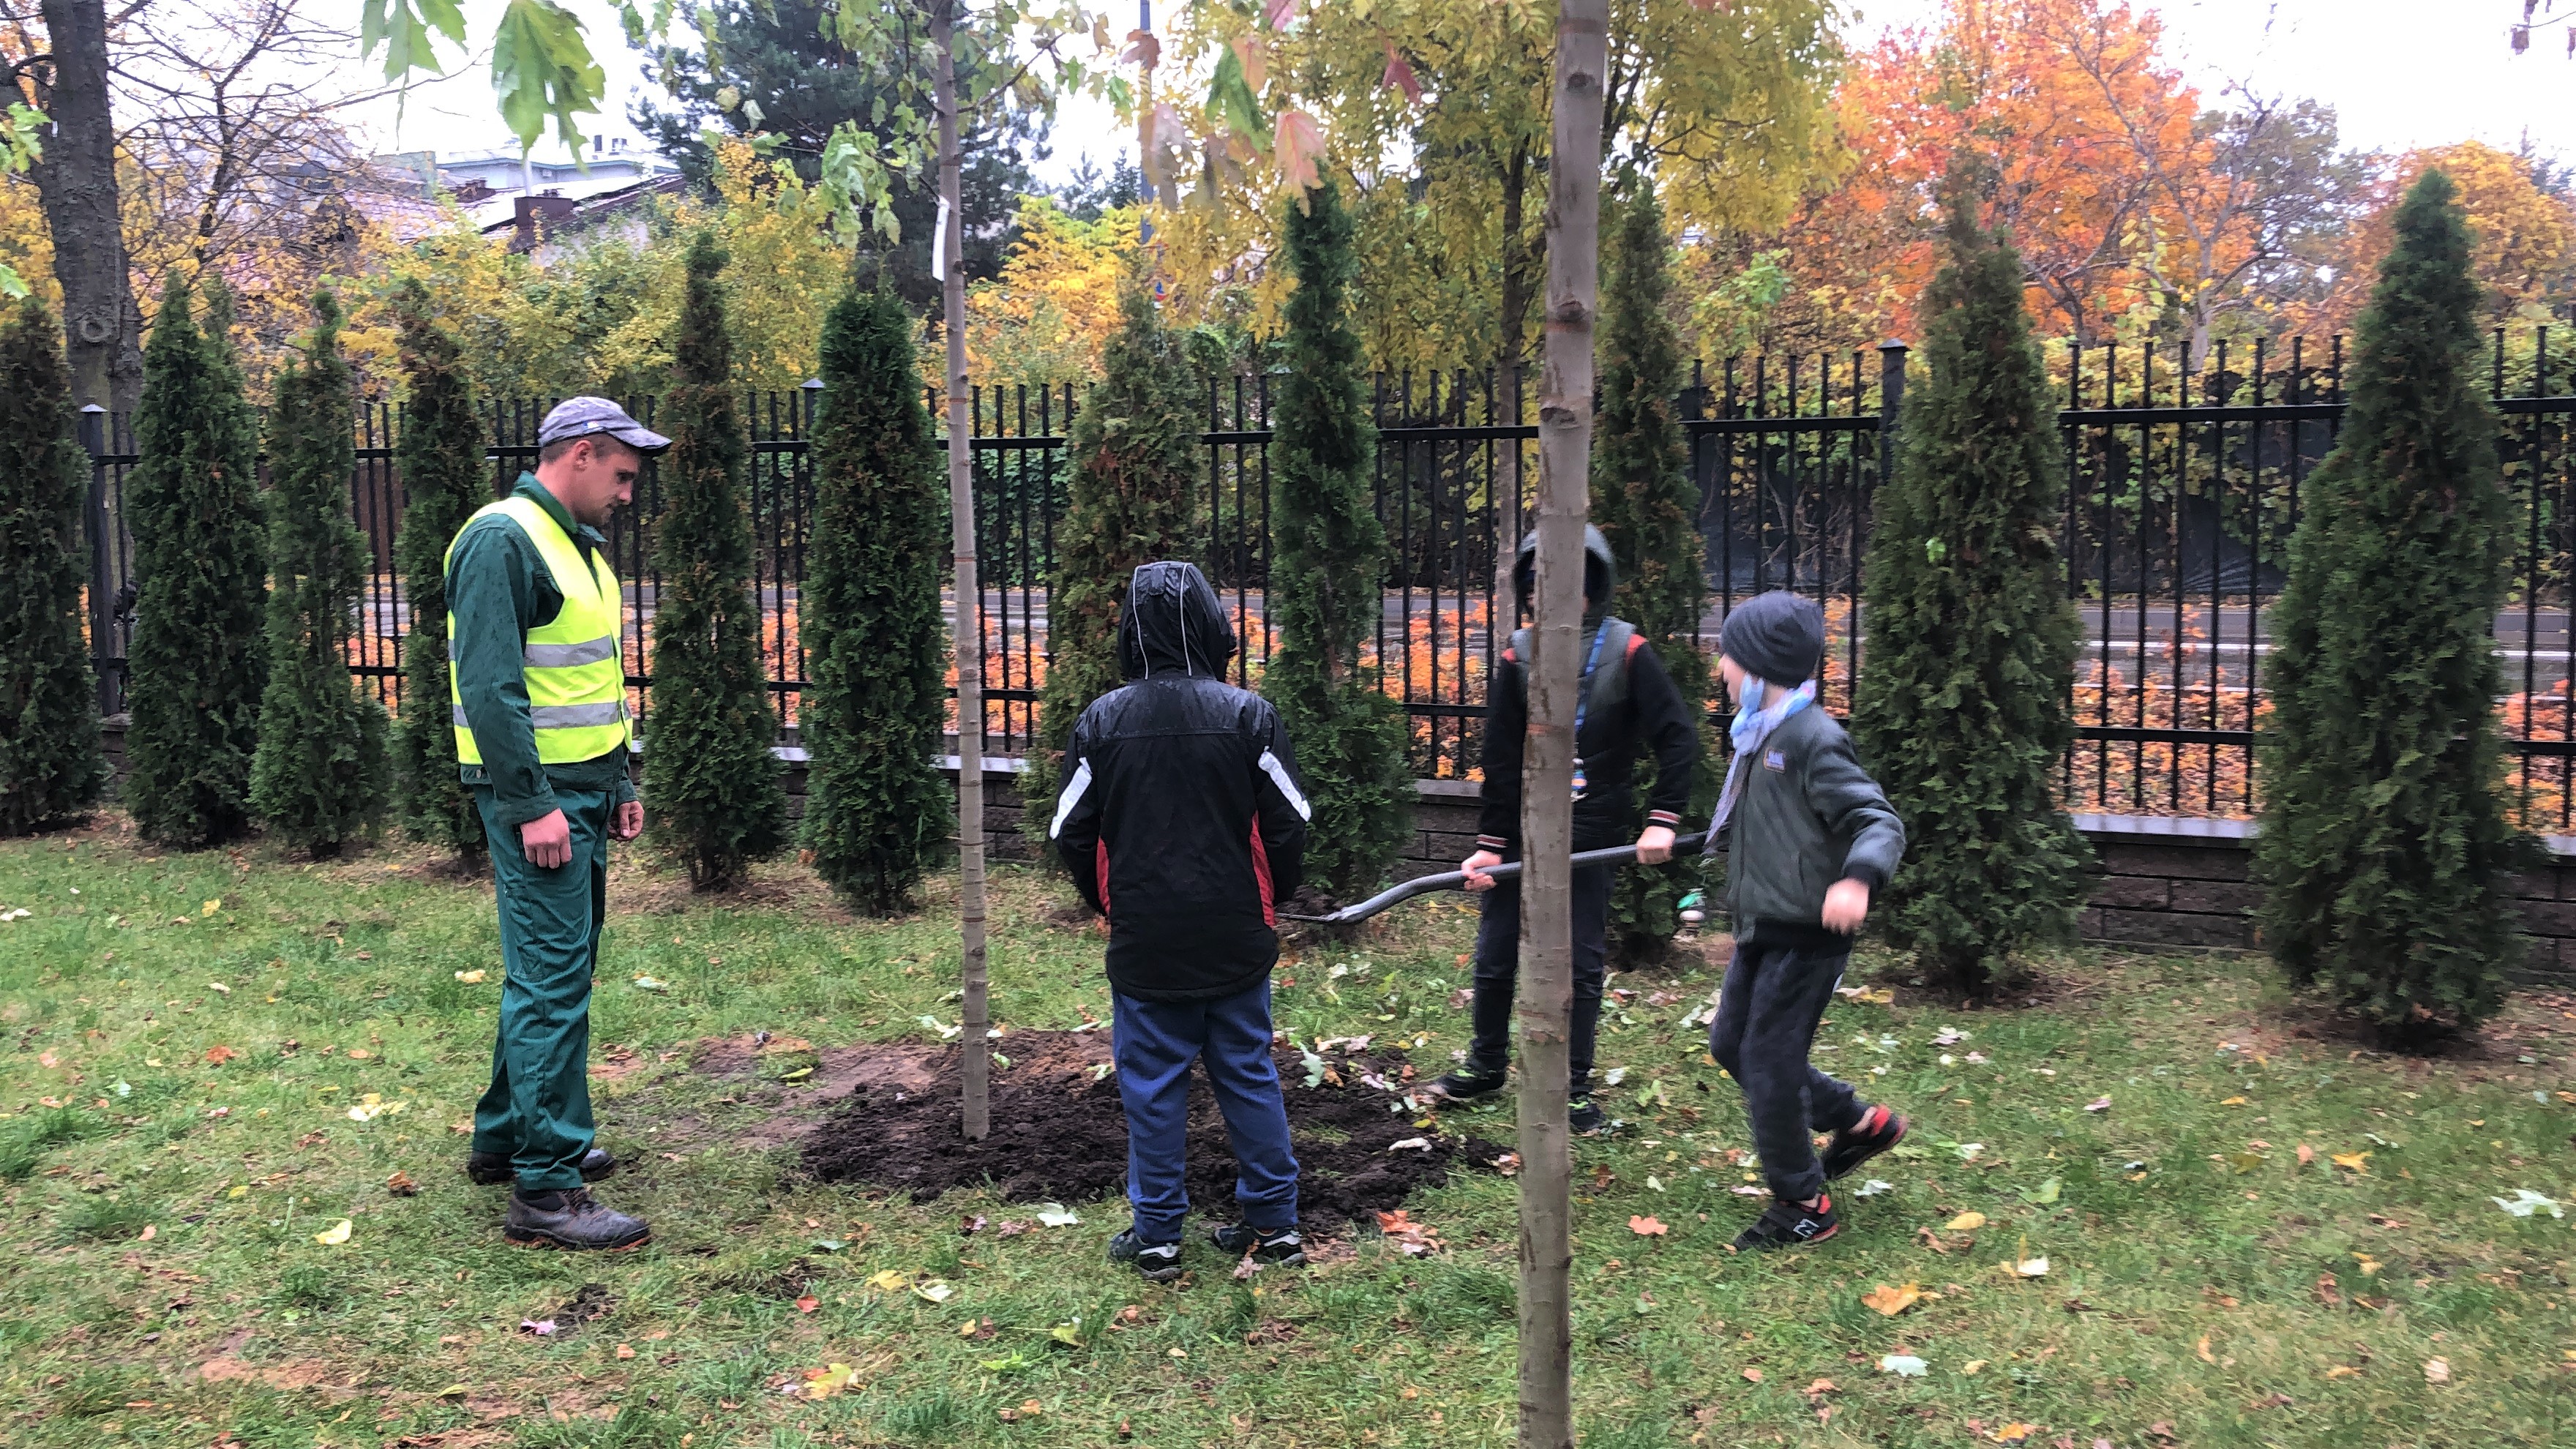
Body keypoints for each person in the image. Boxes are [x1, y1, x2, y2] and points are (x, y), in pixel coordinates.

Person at [1049, 561, 1312, 1282]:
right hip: (1235, 930)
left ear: (1132, 633)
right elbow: (1290, 821)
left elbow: (1069, 831)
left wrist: (1109, 903)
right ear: (1211, 624)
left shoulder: (1100, 721)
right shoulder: (1247, 715)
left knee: (1152, 1084)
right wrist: (1271, 895)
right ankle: (1276, 1226)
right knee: (1248, 1073)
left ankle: (1158, 1236)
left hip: (1147, 937)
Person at [446, 397, 665, 1251]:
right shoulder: (503, 539)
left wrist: (618, 779)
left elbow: (584, 682)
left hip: (581, 789)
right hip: (537, 797)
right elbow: (490, 687)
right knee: (553, 981)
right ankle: (545, 1189)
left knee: (551, 967)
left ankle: (507, 1137)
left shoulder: (575, 547)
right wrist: (531, 803)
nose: (625, 494)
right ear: (579, 454)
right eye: (619, 475)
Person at [1426, 526, 1699, 1134]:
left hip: (1594, 833)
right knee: (1496, 956)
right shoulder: (1517, 655)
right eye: (1538, 582)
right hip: (1525, 833)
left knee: (1580, 962)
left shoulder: (1629, 651)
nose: (1551, 593)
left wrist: (1662, 819)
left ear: (1593, 583)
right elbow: (1499, 756)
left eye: (1568, 581)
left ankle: (1573, 1088)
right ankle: (1487, 1064)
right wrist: (1490, 845)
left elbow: (1678, 738)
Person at [1699, 590, 1908, 1250]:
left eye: (1727, 656)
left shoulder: (1811, 738)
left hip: (1809, 936)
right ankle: (1860, 1122)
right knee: (1732, 1045)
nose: (1719, 668)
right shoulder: (1759, 735)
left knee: (1767, 1059)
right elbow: (1770, 825)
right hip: (1763, 925)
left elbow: (1877, 820)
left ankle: (1803, 1199)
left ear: (1758, 668)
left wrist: (1857, 878)